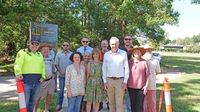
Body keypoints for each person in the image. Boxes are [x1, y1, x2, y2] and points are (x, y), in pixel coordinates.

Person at [14, 37, 45, 112]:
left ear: (39, 45)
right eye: (32, 43)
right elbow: (17, 64)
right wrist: (18, 73)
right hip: (25, 82)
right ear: (29, 43)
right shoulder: (22, 52)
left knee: (33, 102)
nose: (34, 45)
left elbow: (42, 66)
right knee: (24, 103)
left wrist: (43, 76)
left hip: (37, 82)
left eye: (37, 44)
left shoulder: (39, 54)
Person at [102, 37, 129, 112]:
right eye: (112, 44)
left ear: (118, 44)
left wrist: (125, 82)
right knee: (111, 103)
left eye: (116, 44)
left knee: (119, 103)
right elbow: (104, 68)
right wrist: (104, 81)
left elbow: (126, 68)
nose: (114, 45)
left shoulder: (123, 53)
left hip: (120, 81)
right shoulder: (106, 54)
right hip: (109, 81)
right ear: (110, 45)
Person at [127, 46, 150, 112]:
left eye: (138, 51)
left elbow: (148, 76)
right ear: (133, 53)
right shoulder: (129, 62)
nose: (136, 53)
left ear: (141, 53)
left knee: (139, 106)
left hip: (141, 88)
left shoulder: (144, 63)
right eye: (135, 51)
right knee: (133, 105)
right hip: (130, 87)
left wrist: (146, 86)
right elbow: (126, 74)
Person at [34, 43, 55, 112]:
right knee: (38, 97)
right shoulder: (37, 57)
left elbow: (53, 67)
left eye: (47, 49)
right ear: (40, 50)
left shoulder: (50, 57)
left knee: (49, 95)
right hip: (41, 81)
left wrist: (53, 74)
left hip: (50, 80)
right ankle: (34, 110)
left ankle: (46, 110)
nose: (46, 50)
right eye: (44, 49)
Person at [55, 41, 73, 111]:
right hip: (61, 75)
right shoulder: (58, 54)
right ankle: (59, 104)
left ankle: (70, 105)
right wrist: (60, 71)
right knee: (61, 91)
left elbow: (73, 64)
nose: (65, 46)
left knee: (70, 91)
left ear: (69, 46)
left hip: (70, 76)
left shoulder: (71, 54)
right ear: (62, 46)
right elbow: (56, 64)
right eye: (64, 45)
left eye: (67, 45)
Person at [143, 45, 161, 112]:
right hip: (142, 86)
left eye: (150, 49)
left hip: (152, 85)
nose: (148, 51)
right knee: (143, 104)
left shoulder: (156, 61)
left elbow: (157, 72)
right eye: (146, 49)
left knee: (152, 103)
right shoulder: (141, 60)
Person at [120, 35, 133, 112]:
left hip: (132, 76)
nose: (127, 40)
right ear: (124, 40)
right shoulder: (120, 50)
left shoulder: (134, 49)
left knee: (129, 96)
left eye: (129, 39)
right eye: (126, 39)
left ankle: (129, 110)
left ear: (131, 40)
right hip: (121, 75)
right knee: (120, 96)